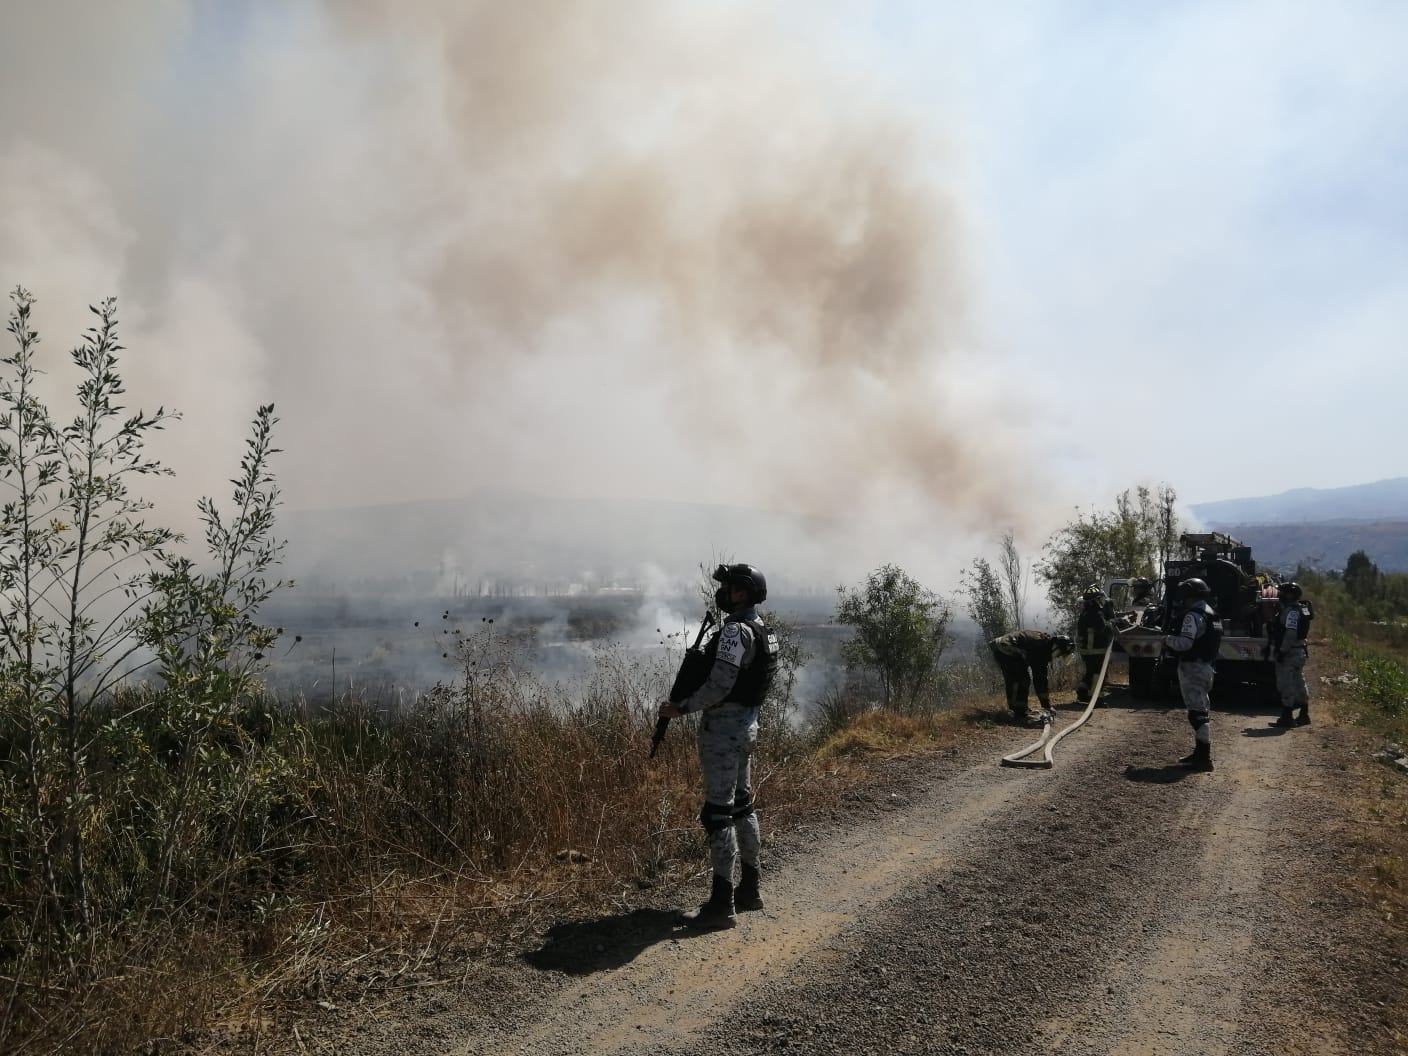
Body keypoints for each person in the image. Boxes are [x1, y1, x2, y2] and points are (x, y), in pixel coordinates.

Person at [658, 563, 780, 930]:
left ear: (742, 592)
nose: (724, 593)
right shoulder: (766, 632)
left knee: (718, 814)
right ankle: (750, 889)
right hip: (748, 726)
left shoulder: (734, 633)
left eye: (729, 587)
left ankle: (721, 903)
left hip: (724, 730)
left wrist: (681, 708)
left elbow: (719, 685)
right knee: (743, 806)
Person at [1163, 577, 1220, 772]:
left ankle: (1204, 757)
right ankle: (1199, 753)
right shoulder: (1211, 613)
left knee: (1197, 714)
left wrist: (1167, 639)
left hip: (1193, 668)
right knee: (1200, 710)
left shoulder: (1192, 615)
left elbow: (1185, 643)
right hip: (1205, 666)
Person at [988, 629, 1076, 725]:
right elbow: (1040, 679)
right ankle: (1019, 713)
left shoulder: (1044, 644)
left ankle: (1017, 710)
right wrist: (1047, 706)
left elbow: (1040, 678)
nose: (1058, 657)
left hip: (1003, 646)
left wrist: (1046, 705)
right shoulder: (1041, 648)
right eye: (1060, 654)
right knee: (1022, 679)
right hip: (1004, 648)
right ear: (1057, 648)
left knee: (1016, 678)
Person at [1268, 581, 1313, 728]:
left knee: (1286, 683)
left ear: (1289, 595)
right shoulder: (1300, 608)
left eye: (1282, 593)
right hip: (1299, 651)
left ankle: (1287, 717)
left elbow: (1291, 633)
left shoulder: (1292, 612)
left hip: (1291, 652)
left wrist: (1282, 651)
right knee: (1299, 681)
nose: (1280, 595)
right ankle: (1304, 714)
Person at [1075, 584, 1117, 703]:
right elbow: (1104, 630)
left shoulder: (1085, 612)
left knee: (1090, 672)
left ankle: (1082, 692)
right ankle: (1095, 698)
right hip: (1095, 650)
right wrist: (1113, 621)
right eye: (1099, 599)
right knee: (1098, 674)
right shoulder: (1096, 613)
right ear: (1095, 600)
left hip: (1087, 650)